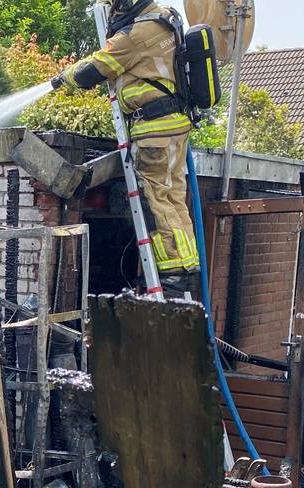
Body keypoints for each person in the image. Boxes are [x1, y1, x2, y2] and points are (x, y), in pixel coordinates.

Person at [52, 0, 199, 296]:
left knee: (156, 202)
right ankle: (186, 269)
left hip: (153, 132)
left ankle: (170, 279)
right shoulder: (166, 18)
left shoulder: (137, 35)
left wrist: (63, 76)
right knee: (173, 198)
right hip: (174, 127)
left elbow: (93, 69)